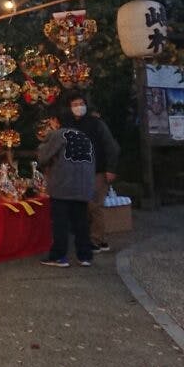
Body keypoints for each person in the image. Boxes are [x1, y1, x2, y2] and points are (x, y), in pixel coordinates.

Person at [60, 91, 120, 252]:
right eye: (75, 105)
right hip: (78, 171)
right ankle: (98, 239)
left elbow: (111, 146)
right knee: (84, 206)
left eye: (81, 104)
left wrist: (111, 168)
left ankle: (96, 239)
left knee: (94, 205)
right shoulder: (68, 124)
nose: (78, 107)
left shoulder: (96, 123)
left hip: (97, 170)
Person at [37, 109, 97, 268]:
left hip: (63, 184)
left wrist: (46, 139)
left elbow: (43, 156)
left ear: (56, 121)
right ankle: (85, 256)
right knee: (81, 222)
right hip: (84, 185)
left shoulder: (58, 135)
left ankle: (58, 256)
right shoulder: (84, 136)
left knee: (60, 223)